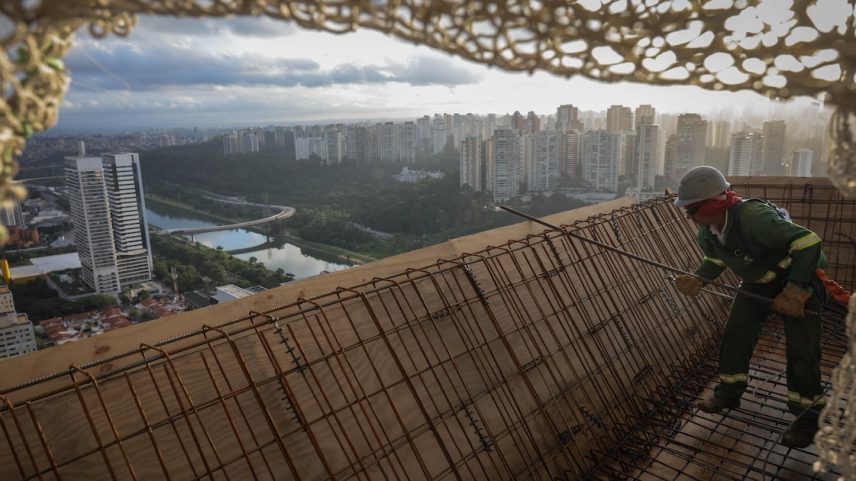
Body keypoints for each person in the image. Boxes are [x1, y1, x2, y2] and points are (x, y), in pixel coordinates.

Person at [672, 166, 826, 449]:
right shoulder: (707, 231)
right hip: (759, 282)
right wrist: (699, 279)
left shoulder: (754, 217)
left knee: (802, 348)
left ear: (712, 204)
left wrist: (796, 289)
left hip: (800, 278)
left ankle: (809, 417)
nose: (689, 218)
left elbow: (807, 242)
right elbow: (717, 259)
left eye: (692, 211)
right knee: (736, 333)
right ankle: (729, 392)